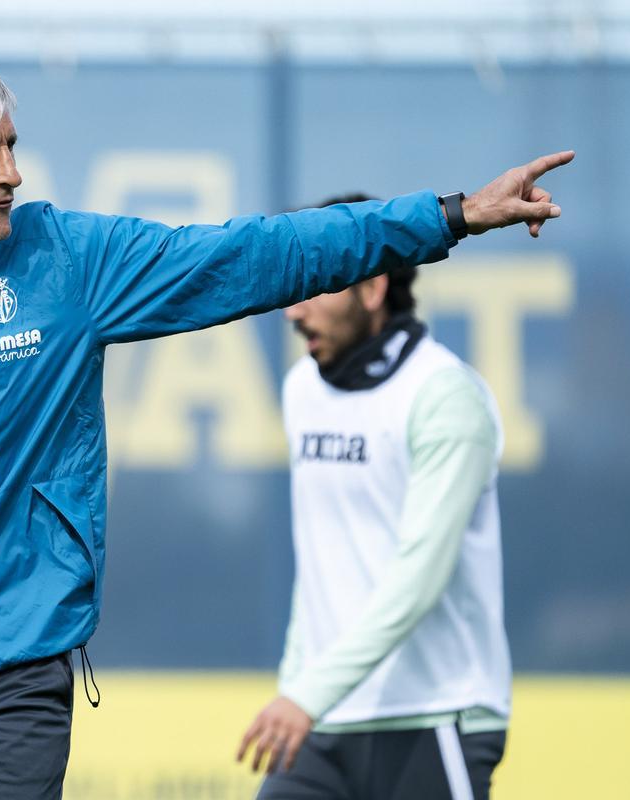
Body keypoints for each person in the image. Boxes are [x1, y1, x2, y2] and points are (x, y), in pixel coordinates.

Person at [0, 55, 568, 799]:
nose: (12, 171)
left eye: (13, 146)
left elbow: (254, 254)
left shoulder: (68, 259)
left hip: (13, 677)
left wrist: (445, 217)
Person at [236, 194, 512, 800]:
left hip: (436, 713)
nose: (293, 311)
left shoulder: (444, 397)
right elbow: (321, 564)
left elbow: (419, 577)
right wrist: (300, 684)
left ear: (372, 287)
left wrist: (305, 694)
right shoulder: (301, 388)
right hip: (321, 719)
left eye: (318, 285)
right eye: (295, 286)